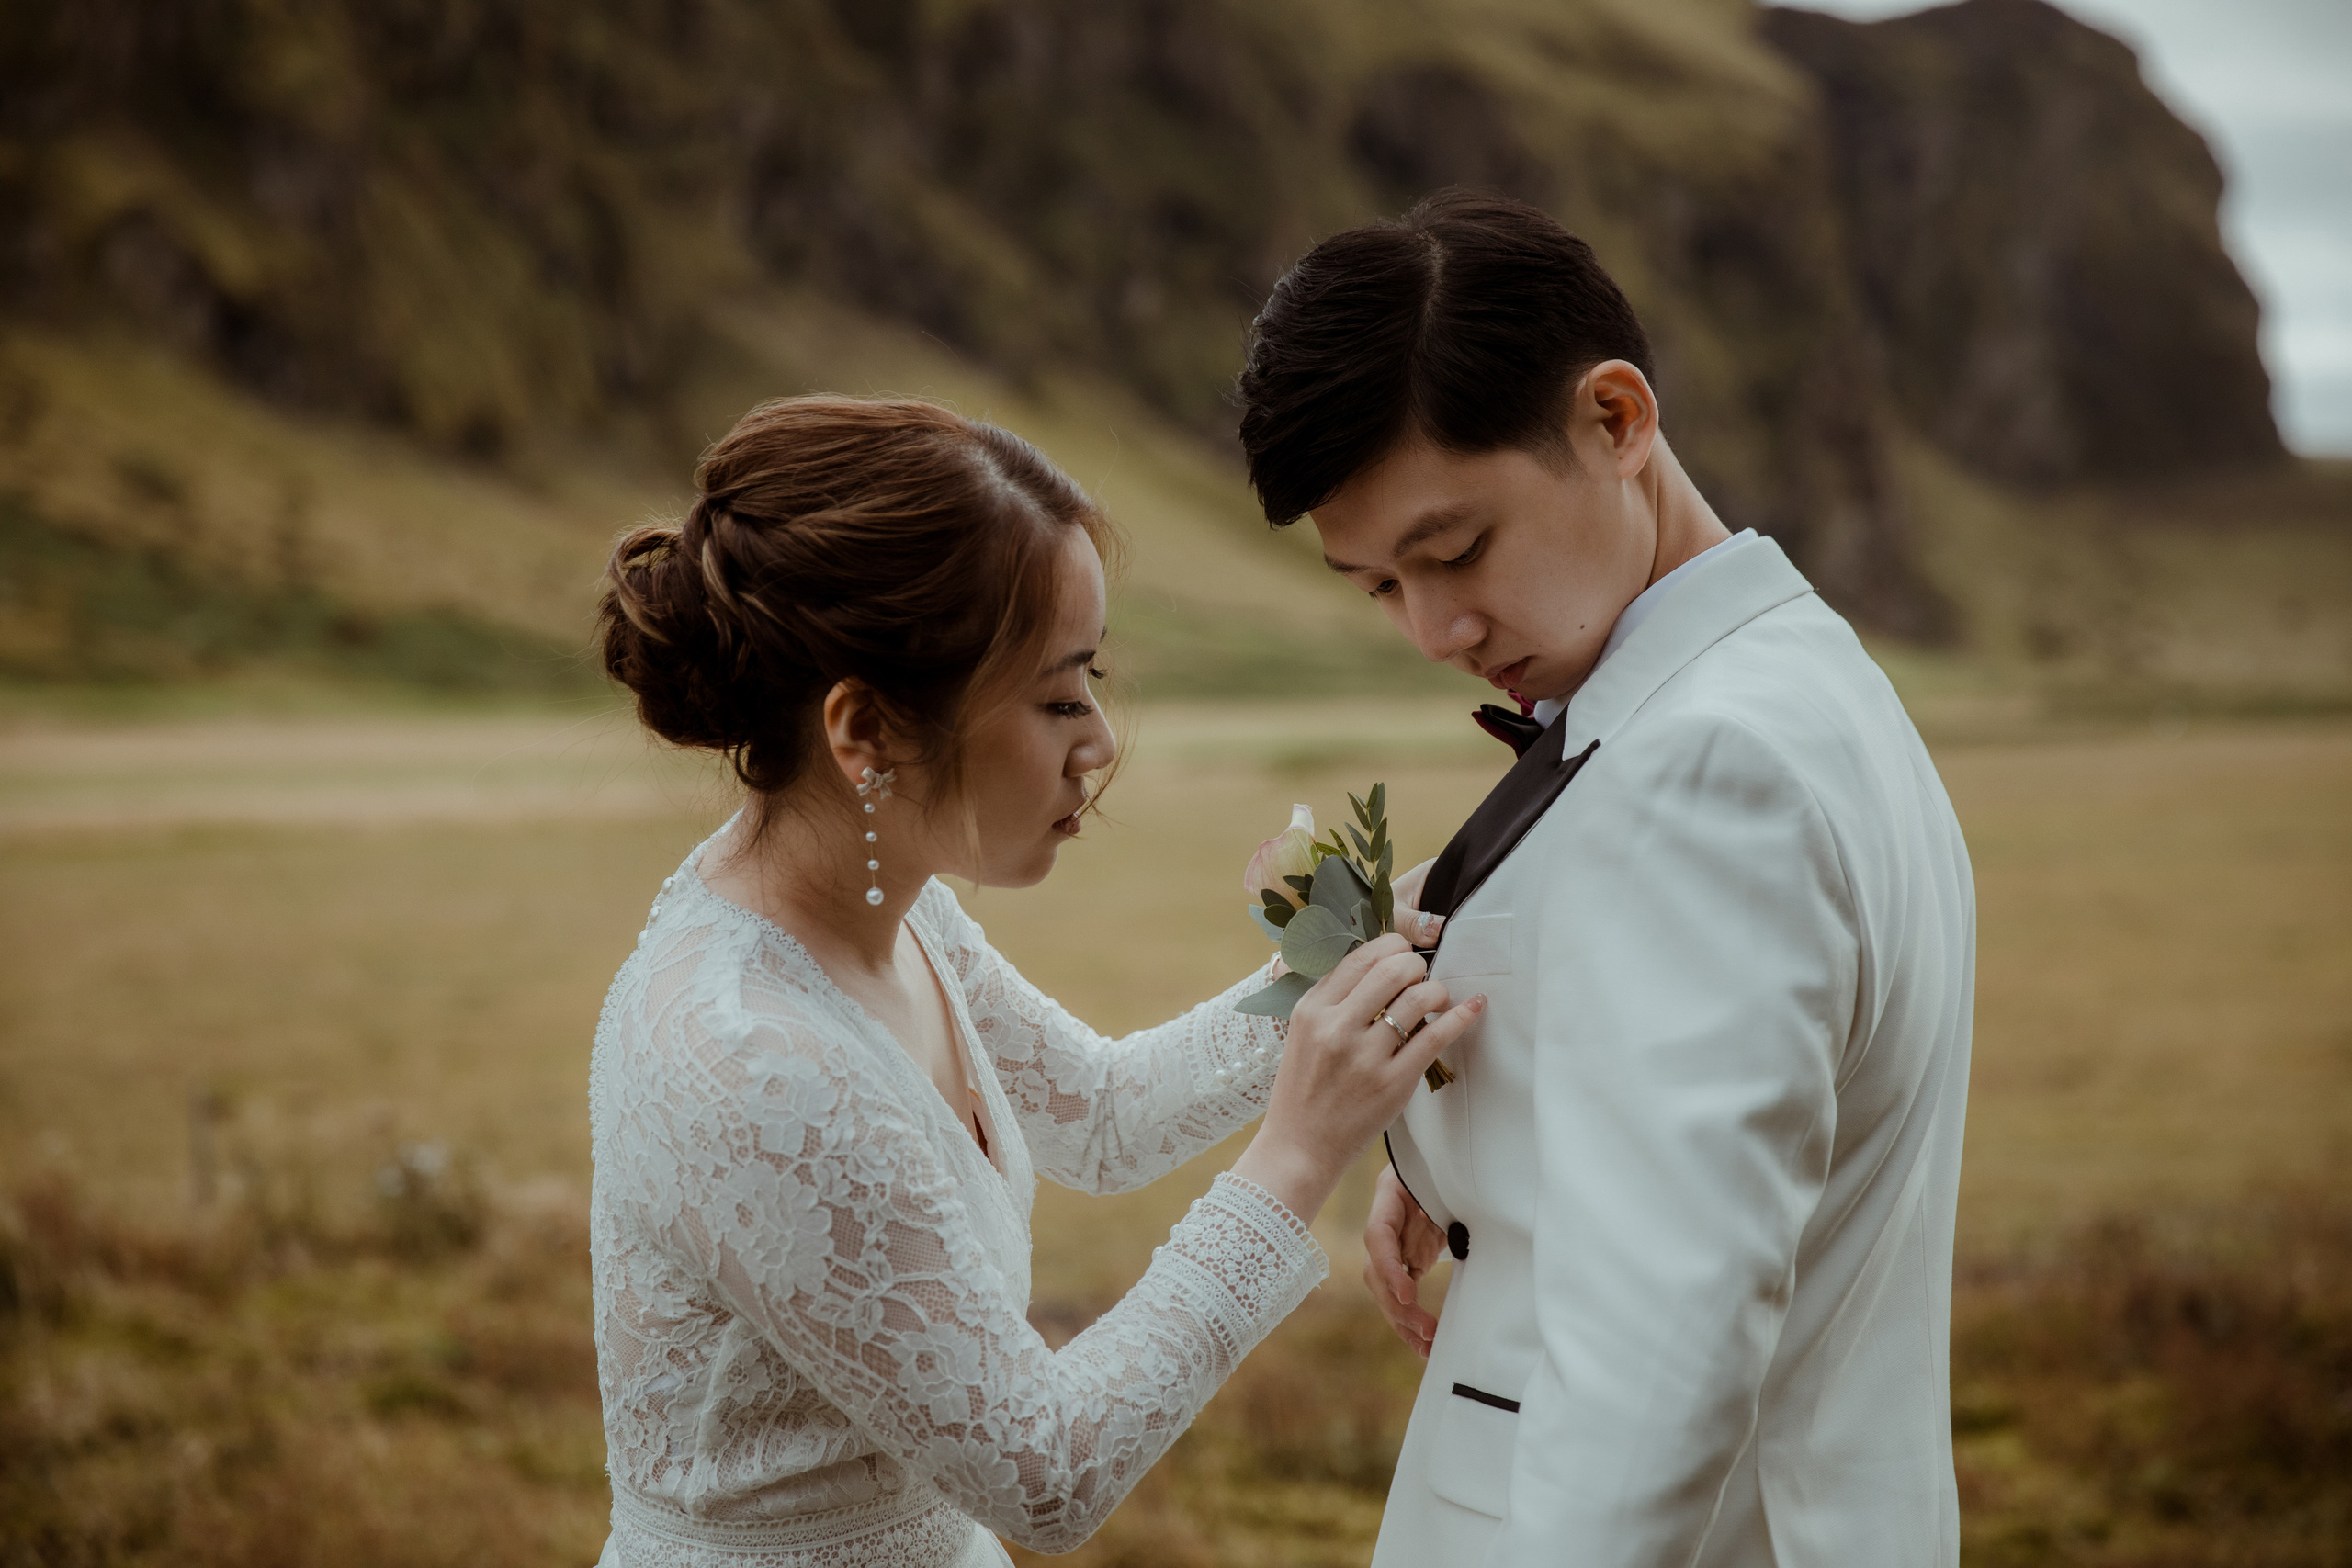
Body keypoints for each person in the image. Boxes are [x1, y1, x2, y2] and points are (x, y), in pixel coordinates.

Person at [584, 395, 1478, 1568]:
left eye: (1094, 681)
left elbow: (1099, 1116)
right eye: (1058, 697)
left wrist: (1341, 970)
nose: (1100, 741)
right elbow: (1043, 1477)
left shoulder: (902, 915)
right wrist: (1297, 1156)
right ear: (865, 733)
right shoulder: (751, 1058)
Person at [1235, 191, 1976, 1566]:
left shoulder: (1712, 770)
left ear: (1617, 420)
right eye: (1377, 585)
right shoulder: (1793, 675)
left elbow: (1663, 1344)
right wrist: (1471, 1148)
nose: (1436, 629)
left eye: (1455, 550)